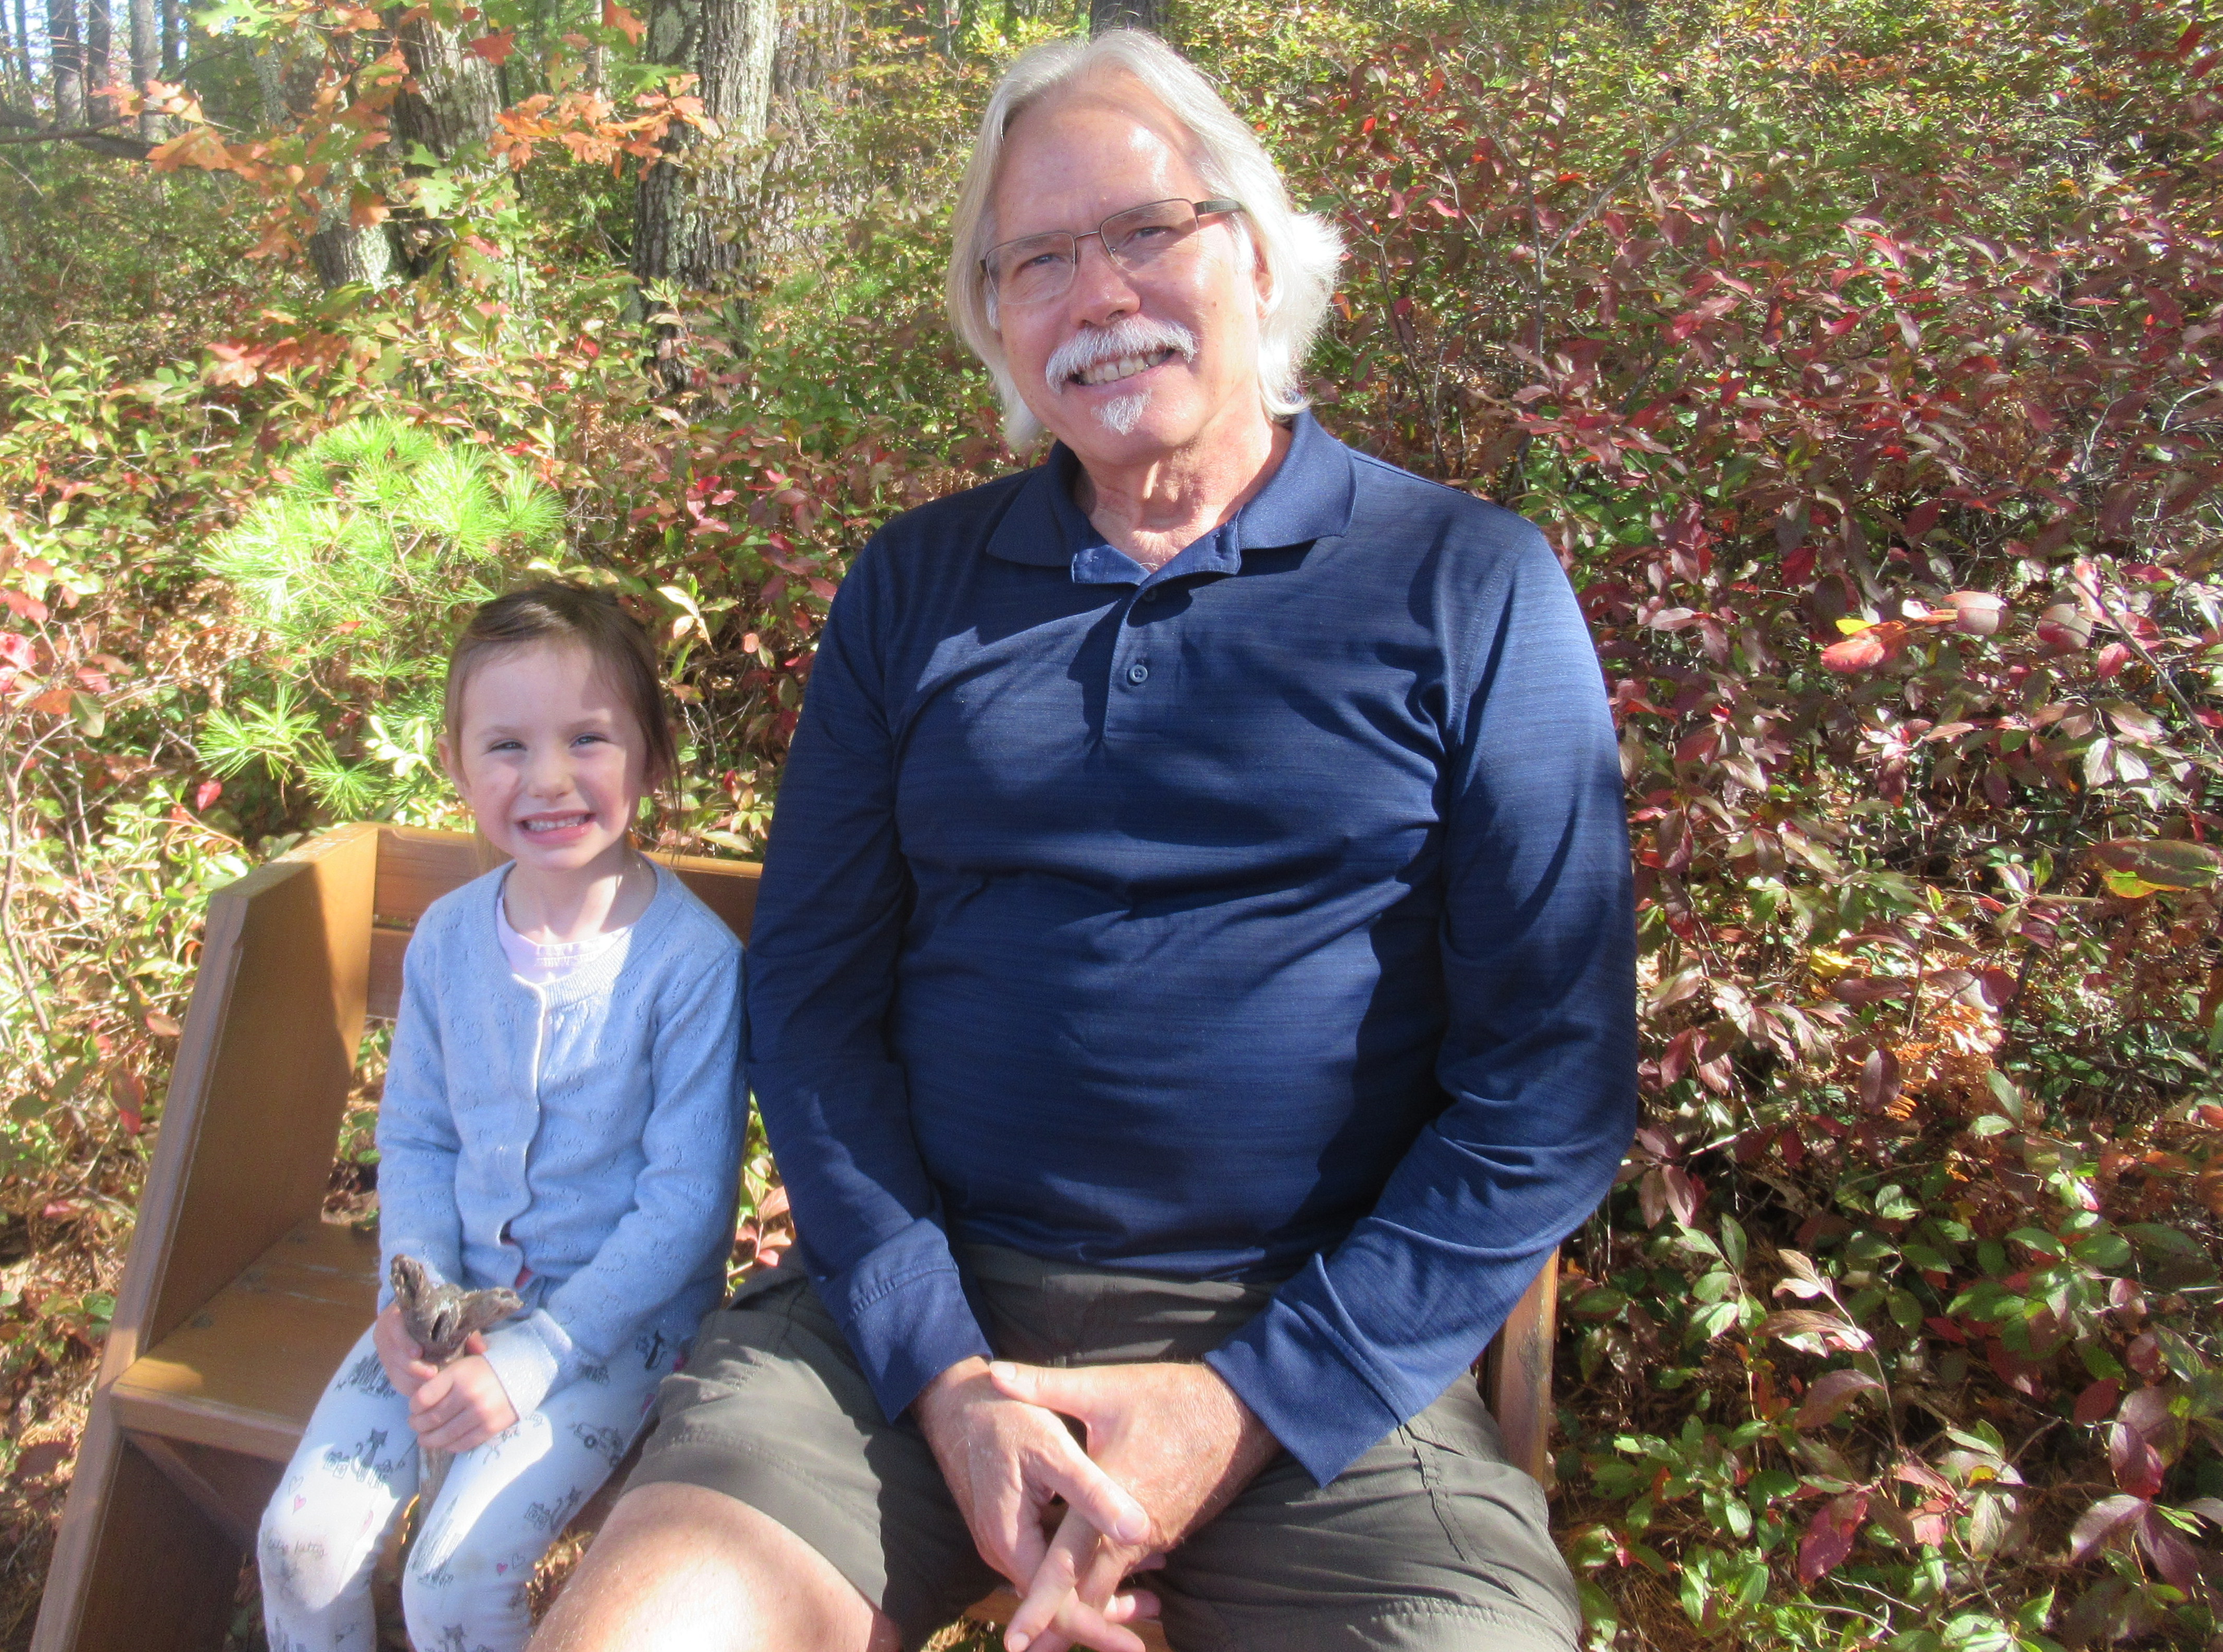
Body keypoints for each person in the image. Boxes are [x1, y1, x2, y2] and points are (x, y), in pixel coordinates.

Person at [535, 28, 1635, 1652]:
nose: (1098, 293)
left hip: (1318, 1374)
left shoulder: (1462, 582)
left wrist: (1251, 1401)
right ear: (996, 320)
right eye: (1036, 259)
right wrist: (937, 1361)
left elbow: (1550, 1084)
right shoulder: (913, 590)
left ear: (1258, 254)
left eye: (1144, 229)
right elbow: (815, 1006)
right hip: (910, 1338)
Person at [255, 584, 748, 1652]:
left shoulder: (692, 966)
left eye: (588, 738)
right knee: (300, 1545)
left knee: (451, 1584)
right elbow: (419, 1137)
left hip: (612, 1332)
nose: (550, 778)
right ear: (456, 763)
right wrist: (415, 1300)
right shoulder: (446, 939)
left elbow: (686, 1206)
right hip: (447, 1312)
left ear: (650, 756)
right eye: (507, 745)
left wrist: (528, 1364)